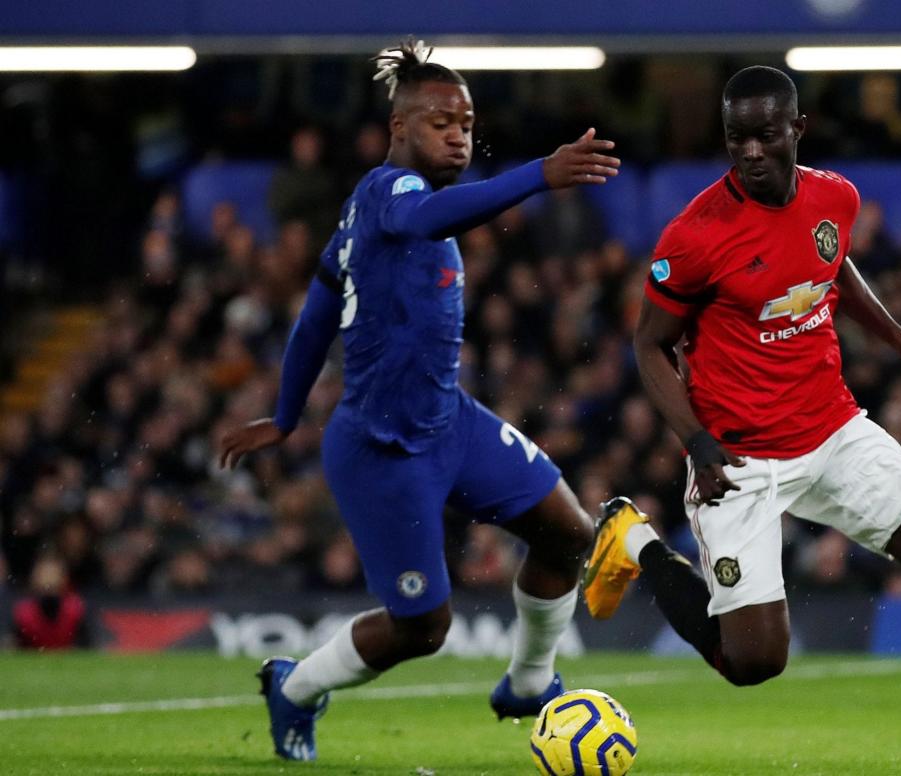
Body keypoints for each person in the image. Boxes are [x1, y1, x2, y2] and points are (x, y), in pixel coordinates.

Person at [583, 66, 901, 776]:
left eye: (765, 136)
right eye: (735, 138)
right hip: (737, 456)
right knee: (753, 662)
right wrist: (698, 442)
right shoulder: (696, 236)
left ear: (795, 131)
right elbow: (647, 344)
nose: (749, 152)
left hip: (831, 431)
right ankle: (635, 542)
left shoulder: (837, 196)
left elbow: (831, 265)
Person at [218, 38, 622, 762]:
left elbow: (316, 316)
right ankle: (296, 686)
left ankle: (529, 683)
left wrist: (283, 415)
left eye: (467, 124)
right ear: (398, 129)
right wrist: (540, 174)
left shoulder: (371, 217)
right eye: (443, 123)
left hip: (449, 421)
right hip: (381, 448)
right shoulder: (387, 194)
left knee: (569, 533)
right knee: (423, 629)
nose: (460, 136)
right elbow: (414, 225)